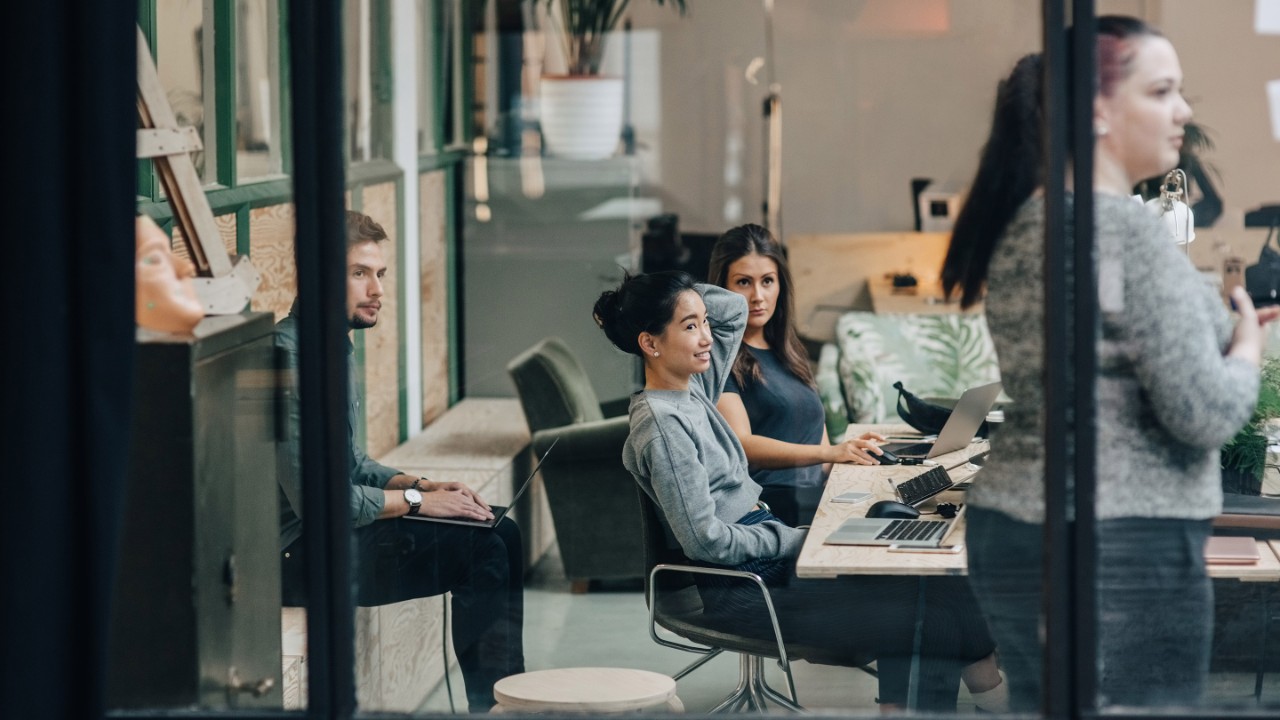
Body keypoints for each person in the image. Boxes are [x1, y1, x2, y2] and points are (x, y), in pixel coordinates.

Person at [941, 16, 1279, 710]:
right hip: (1122, 538)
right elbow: (1204, 411)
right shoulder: (1123, 228)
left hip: (1015, 524)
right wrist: (1247, 347)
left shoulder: (1028, 222)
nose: (1182, 111)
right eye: (1161, 91)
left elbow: (1103, 355)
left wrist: (1217, 327)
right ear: (1095, 109)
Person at [593, 272, 1007, 713]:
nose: (707, 338)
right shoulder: (662, 425)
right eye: (690, 326)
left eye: (703, 323)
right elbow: (705, 540)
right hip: (741, 586)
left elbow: (731, 310)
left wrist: (679, 290)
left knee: (935, 585)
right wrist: (797, 539)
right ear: (650, 344)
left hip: (766, 555)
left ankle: (994, 700)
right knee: (921, 613)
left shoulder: (692, 389)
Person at [276, 210, 524, 712]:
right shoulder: (284, 359)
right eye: (358, 273)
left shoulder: (332, 349)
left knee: (503, 529)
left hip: (329, 538)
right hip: (296, 556)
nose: (377, 290)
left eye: (380, 274)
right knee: (483, 550)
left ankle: (507, 699)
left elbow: (350, 461)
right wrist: (414, 504)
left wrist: (426, 486)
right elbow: (318, 502)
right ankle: (492, 705)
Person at [709, 223, 886, 527]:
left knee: (898, 503)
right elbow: (742, 445)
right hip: (770, 505)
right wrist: (829, 452)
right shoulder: (719, 356)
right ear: (723, 290)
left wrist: (855, 455)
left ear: (781, 285)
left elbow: (823, 450)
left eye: (767, 281)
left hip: (814, 495)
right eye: (743, 282)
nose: (757, 296)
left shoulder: (789, 353)